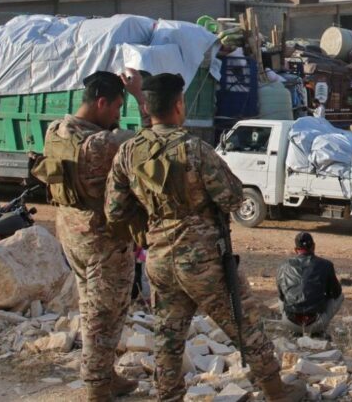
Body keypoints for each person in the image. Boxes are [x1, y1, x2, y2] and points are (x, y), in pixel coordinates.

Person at [105, 74, 304, 402]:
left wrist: (149, 228)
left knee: (168, 335)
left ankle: (168, 396)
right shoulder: (194, 150)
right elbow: (233, 198)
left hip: (158, 259)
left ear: (149, 109)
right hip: (204, 262)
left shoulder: (129, 152)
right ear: (179, 105)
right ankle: (275, 390)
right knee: (245, 324)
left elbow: (114, 211)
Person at [31, 70, 148, 402]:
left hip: (71, 231)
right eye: (115, 107)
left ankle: (105, 374)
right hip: (102, 239)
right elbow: (152, 142)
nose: (116, 114)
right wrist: (140, 95)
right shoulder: (101, 144)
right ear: (101, 102)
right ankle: (97, 384)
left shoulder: (58, 130)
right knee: (104, 310)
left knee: (94, 303)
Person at [277, 232, 343, 337]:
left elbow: (281, 295)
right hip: (316, 323)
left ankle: (295, 331)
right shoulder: (326, 265)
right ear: (314, 246)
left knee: (281, 298)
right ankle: (319, 331)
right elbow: (336, 292)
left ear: (295, 250)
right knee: (340, 296)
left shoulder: (284, 266)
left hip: (290, 322)